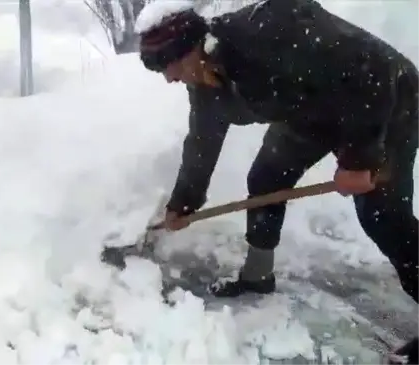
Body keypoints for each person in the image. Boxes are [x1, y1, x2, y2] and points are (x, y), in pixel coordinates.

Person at [136, 0, 419, 362]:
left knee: (384, 220)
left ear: (193, 48)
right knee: (267, 177)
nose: (170, 78)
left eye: (170, 66)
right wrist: (183, 203)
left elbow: (370, 72)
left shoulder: (269, 29)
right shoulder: (204, 83)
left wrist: (359, 159)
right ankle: (257, 275)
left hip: (383, 100)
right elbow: (202, 141)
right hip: (309, 110)